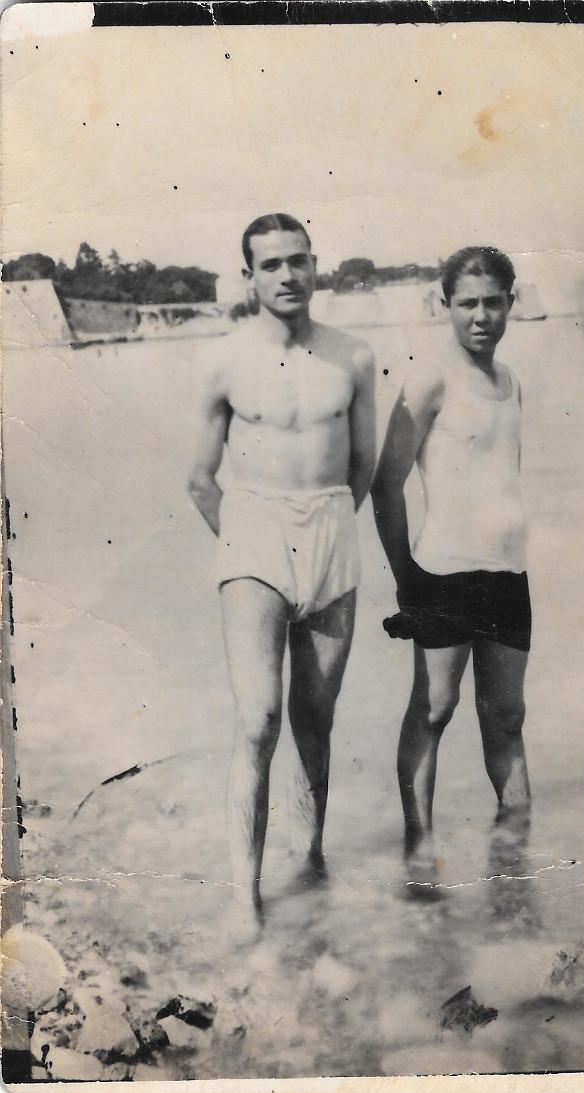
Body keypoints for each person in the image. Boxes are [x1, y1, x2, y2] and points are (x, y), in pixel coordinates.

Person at [188, 213, 375, 936]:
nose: (288, 276)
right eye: (270, 265)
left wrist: (323, 529)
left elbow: (360, 469)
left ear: (316, 265)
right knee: (258, 717)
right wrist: (246, 553)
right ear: (249, 277)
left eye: (298, 261)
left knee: (315, 719)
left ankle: (312, 860)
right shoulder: (226, 360)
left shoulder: (353, 357)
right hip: (255, 533)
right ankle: (246, 896)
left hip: (330, 530)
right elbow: (200, 479)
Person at [371, 246, 531, 888]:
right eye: (468, 303)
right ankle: (419, 851)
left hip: (509, 573)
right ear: (445, 306)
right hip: (442, 572)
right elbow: (386, 483)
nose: (481, 316)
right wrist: (405, 576)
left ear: (511, 304)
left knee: (507, 716)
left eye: (494, 302)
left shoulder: (513, 381)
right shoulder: (430, 380)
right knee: (435, 709)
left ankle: (517, 864)